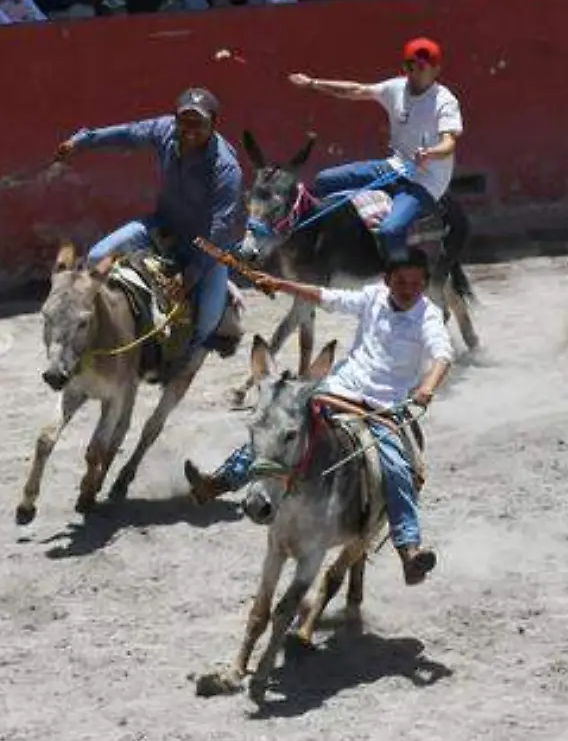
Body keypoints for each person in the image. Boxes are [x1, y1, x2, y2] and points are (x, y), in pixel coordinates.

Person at [186, 250, 453, 586]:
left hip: (382, 408)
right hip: (337, 390)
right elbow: (325, 297)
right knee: (279, 427)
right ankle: (222, 480)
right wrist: (280, 283)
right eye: (400, 281)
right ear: (386, 281)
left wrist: (427, 388)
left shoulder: (429, 316)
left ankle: (409, 548)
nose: (407, 289)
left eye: (416, 283)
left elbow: (442, 354)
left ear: (425, 284)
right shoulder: (372, 298)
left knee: (397, 468)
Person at [52, 87, 243, 362]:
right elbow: (127, 134)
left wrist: (189, 276)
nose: (189, 130)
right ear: (175, 119)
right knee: (96, 256)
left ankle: (182, 360)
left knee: (205, 326)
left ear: (214, 124)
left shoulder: (226, 169)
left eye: (198, 123)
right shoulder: (165, 130)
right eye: (183, 121)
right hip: (162, 227)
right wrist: (81, 141)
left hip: (206, 250)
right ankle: (92, 333)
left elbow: (220, 229)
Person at [286, 37, 463, 261]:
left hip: (425, 182)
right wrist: (313, 83)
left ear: (436, 69)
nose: (414, 71)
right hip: (394, 167)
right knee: (324, 181)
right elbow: (356, 90)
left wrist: (431, 153)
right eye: (410, 65)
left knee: (390, 231)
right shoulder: (396, 87)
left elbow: (449, 143)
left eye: (421, 66)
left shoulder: (445, 101)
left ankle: (399, 275)